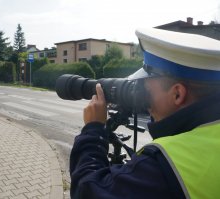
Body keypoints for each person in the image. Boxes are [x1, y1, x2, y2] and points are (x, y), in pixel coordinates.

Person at [70, 28, 220, 199]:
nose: (144, 101)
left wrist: (93, 130)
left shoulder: (163, 165)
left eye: (146, 89)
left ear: (177, 94)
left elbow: (87, 191)